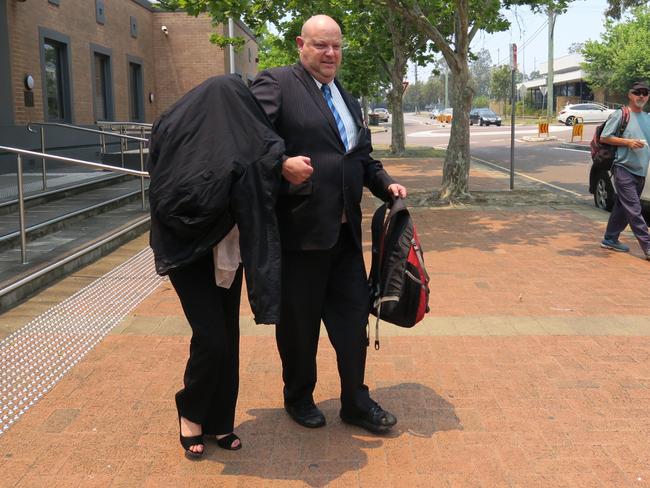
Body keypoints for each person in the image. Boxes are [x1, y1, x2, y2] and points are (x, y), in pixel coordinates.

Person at [251, 15, 407, 434]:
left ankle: (355, 401)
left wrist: (385, 183)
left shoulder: (348, 98)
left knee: (354, 320)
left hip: (344, 236)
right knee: (299, 327)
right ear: (301, 44)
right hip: (299, 235)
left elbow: (361, 157)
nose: (330, 54)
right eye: (321, 45)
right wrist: (279, 163)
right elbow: (250, 138)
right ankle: (298, 396)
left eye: (336, 46)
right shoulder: (278, 84)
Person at [147, 75, 285, 458]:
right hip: (186, 250)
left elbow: (264, 168)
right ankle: (189, 410)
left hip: (229, 245)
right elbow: (162, 187)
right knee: (212, 337)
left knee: (228, 335)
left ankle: (221, 419)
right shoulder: (175, 132)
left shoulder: (237, 137)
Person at [600, 81, 650, 258]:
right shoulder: (621, 114)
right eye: (638, 93)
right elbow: (605, 136)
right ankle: (648, 246)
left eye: (645, 93)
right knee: (634, 209)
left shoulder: (648, 118)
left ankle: (610, 238)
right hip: (623, 168)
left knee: (623, 206)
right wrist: (627, 142)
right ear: (630, 94)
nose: (641, 96)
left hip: (641, 172)